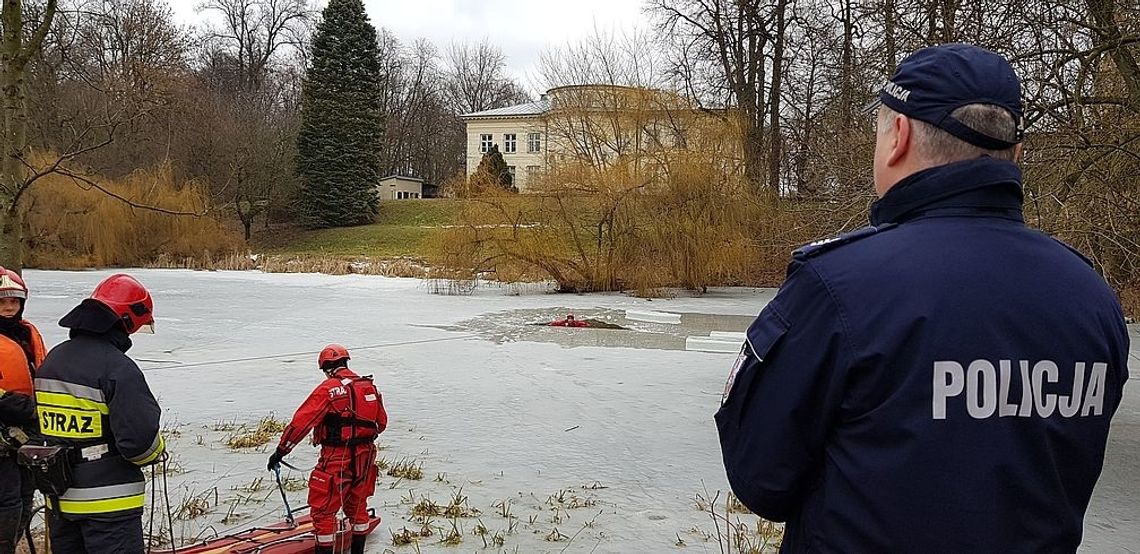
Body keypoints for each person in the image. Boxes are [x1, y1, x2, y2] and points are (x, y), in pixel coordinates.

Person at [716, 43, 1130, 552]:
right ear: (1016, 154)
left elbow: (761, 478)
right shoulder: (1092, 298)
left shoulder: (838, 286)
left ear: (898, 137)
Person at [33, 273, 164, 554]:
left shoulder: (53, 360)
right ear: (125, 321)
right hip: (111, 506)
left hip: (60, 501)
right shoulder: (118, 368)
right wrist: (158, 451)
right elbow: (139, 443)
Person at [268, 344, 387, 554]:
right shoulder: (369, 387)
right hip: (365, 458)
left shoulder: (328, 389)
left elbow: (301, 423)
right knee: (358, 507)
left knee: (323, 513)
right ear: (345, 362)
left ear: (325, 367)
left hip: (336, 457)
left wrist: (280, 452)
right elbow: (381, 424)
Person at [0, 268, 45, 554]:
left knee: (26, 496)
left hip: (29, 432)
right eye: (2, 302)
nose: (8, 307)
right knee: (8, 500)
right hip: (4, 432)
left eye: (14, 302)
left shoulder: (28, 335)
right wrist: (29, 409)